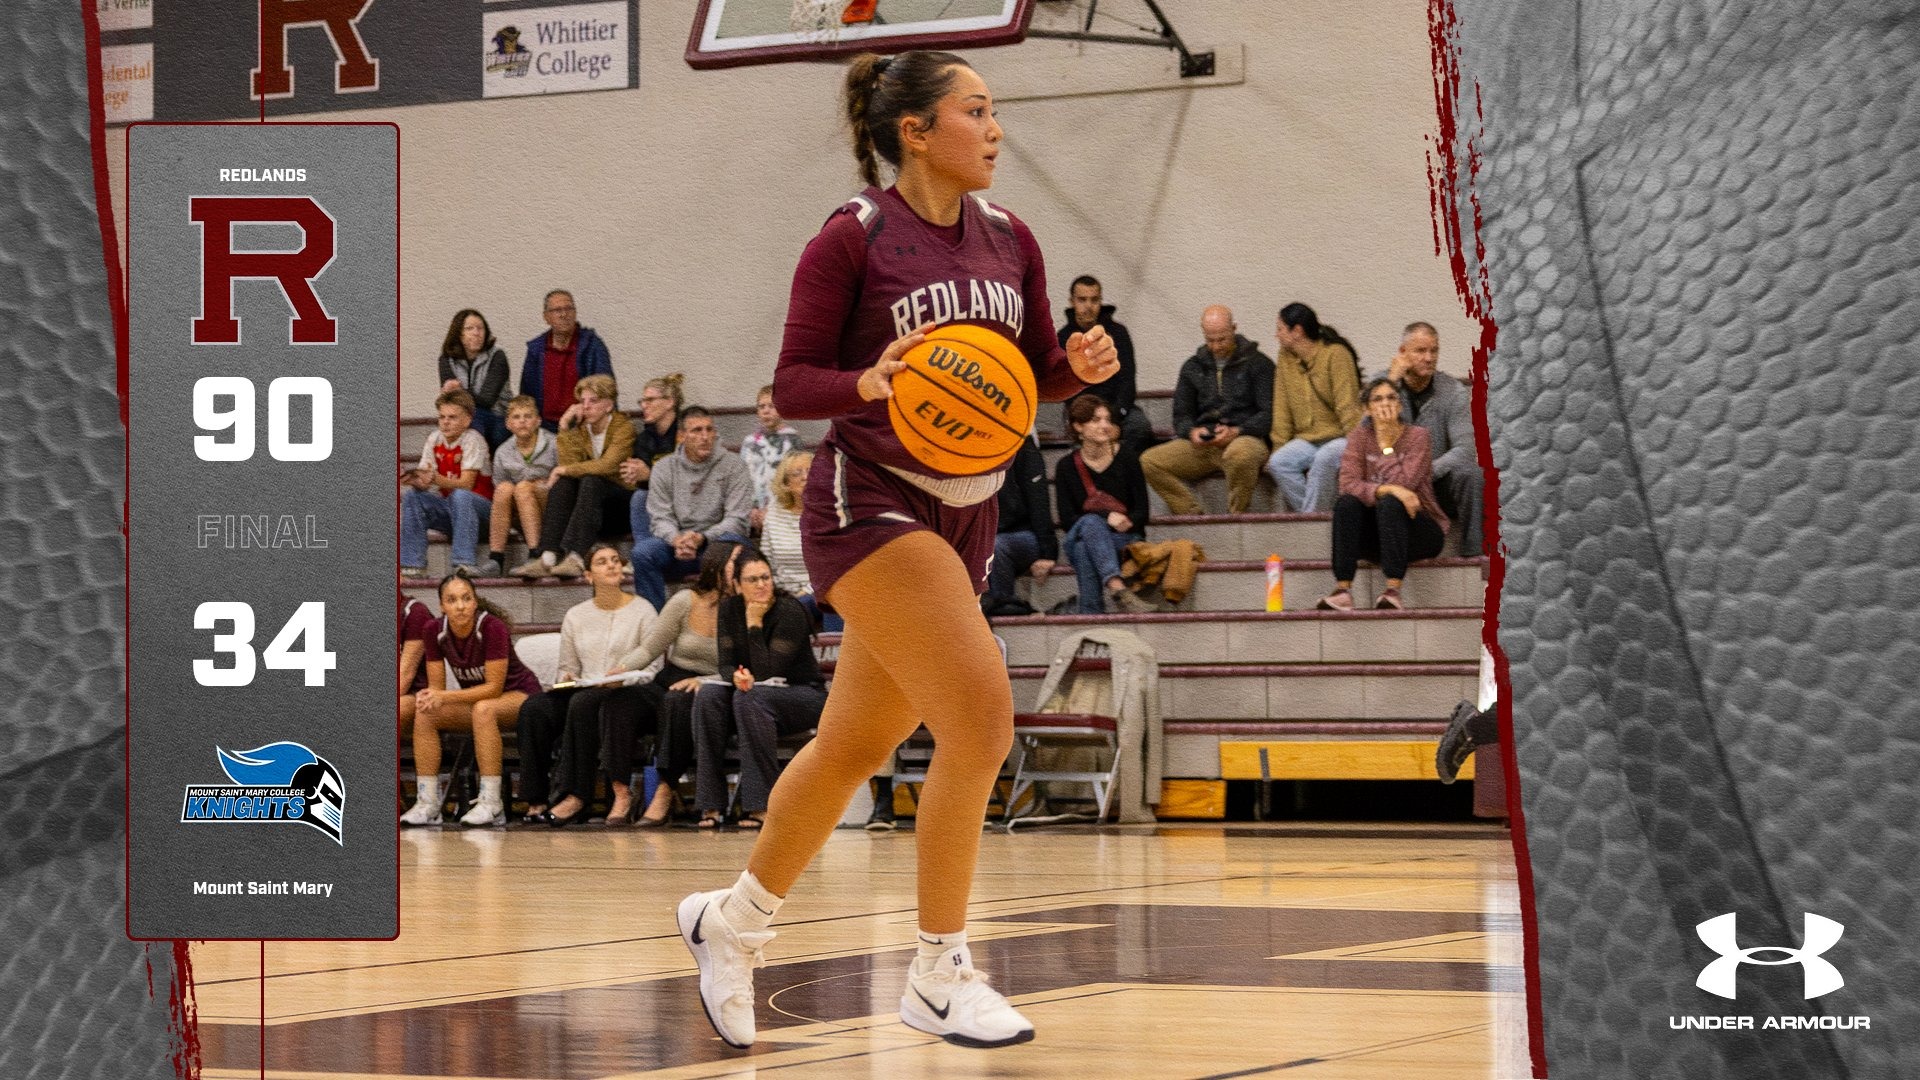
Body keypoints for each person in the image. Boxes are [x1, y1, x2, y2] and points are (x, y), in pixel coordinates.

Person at [675, 50, 1117, 1053]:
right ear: (917, 130)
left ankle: (732, 924)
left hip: (970, 508)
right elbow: (790, 382)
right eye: (978, 111)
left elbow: (1025, 375)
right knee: (980, 719)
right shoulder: (853, 239)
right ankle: (937, 971)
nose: (997, 129)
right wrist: (867, 383)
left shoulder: (1013, 239)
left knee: (853, 746)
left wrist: (1074, 368)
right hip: (867, 501)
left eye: (996, 111)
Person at [516, 544, 658, 827]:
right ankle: (536, 799)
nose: (612, 566)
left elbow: (652, 668)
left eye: (616, 560)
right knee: (535, 708)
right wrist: (566, 678)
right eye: (603, 562)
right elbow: (568, 667)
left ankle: (577, 795)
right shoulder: (576, 615)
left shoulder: (644, 610)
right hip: (587, 687)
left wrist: (623, 678)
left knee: (585, 704)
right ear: (589, 576)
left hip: (630, 690)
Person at [690, 549, 828, 829]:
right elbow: (726, 664)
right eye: (752, 580)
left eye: (766, 577)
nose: (762, 585)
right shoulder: (729, 609)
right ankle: (711, 803)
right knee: (708, 696)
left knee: (750, 699)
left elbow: (768, 670)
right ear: (737, 585)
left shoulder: (790, 611)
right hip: (754, 695)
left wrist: (754, 623)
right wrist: (737, 677)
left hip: (804, 697)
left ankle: (761, 804)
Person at [609, 541, 739, 826]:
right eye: (734, 563)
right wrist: (619, 671)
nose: (741, 568)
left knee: (677, 702)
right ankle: (621, 790)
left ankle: (665, 789)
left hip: (717, 687)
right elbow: (650, 649)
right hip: (673, 676)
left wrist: (705, 680)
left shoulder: (745, 608)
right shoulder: (685, 600)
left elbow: (746, 664)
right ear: (716, 566)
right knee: (621, 702)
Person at [400, 572, 540, 827]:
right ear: (442, 606)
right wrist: (433, 697)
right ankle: (428, 803)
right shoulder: (433, 630)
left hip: (522, 696)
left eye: (466, 598)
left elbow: (494, 688)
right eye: (452, 600)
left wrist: (443, 696)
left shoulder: (491, 627)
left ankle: (491, 803)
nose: (460, 606)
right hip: (479, 703)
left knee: (484, 709)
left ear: (476, 602)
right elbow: (437, 689)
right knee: (426, 711)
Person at [1317, 378, 1451, 611]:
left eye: (1391, 398)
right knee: (1347, 504)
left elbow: (1405, 483)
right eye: (1377, 399)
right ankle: (1343, 590)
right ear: (1367, 409)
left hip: (1418, 531)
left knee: (1391, 503)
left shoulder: (1418, 436)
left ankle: (1392, 590)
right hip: (1376, 537)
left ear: (1400, 406)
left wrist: (1387, 445)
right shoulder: (1359, 437)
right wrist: (1386, 489)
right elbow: (1347, 484)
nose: (1385, 404)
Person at [1138, 306, 1274, 514]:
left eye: (1222, 339)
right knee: (1149, 461)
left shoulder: (1259, 364)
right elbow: (1181, 414)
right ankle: (1191, 513)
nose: (1216, 346)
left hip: (1246, 438)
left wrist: (1238, 431)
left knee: (1240, 455)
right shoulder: (1192, 367)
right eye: (1210, 340)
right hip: (1205, 443)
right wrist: (1191, 432)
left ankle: (1236, 516)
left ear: (1234, 329)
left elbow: (1268, 414)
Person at [511, 375, 636, 579]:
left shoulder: (623, 428)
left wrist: (565, 470)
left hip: (618, 505)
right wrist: (564, 425)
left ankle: (576, 557)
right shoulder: (580, 429)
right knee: (566, 482)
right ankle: (548, 557)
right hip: (589, 508)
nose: (586, 407)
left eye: (593, 401)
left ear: (609, 405)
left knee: (590, 480)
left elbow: (608, 465)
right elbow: (568, 465)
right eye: (582, 401)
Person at [631, 406, 754, 611]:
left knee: (737, 548)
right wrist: (677, 539)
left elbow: (738, 520)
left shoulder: (734, 465)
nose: (705, 436)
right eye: (697, 431)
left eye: (709, 430)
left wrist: (702, 537)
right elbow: (660, 518)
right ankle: (656, 623)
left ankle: (730, 620)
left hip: (717, 544)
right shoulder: (663, 468)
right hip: (677, 546)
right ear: (681, 436)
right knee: (643, 553)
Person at [1387, 322, 1484, 556]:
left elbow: (1466, 449)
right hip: (1394, 480)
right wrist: (1391, 384)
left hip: (1435, 480)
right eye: (1420, 351)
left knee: (1472, 475)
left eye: (1434, 350)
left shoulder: (1453, 391)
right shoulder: (1384, 385)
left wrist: (1426, 472)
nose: (1429, 358)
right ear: (1403, 353)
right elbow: (1363, 436)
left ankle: (1475, 553)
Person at [1054, 395, 1154, 614]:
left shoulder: (1127, 457)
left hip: (1125, 538)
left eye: (1107, 420)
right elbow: (1067, 520)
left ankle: (1091, 613)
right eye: (1096, 420)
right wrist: (1105, 517)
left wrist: (1127, 522)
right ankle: (1117, 587)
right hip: (1081, 532)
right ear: (1078, 426)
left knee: (1084, 548)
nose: (1105, 426)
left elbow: (1142, 512)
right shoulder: (1066, 466)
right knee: (1089, 523)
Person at [1265, 302, 1362, 512]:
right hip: (1307, 438)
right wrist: (1278, 446)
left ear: (1297, 331)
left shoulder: (1335, 354)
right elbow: (1281, 406)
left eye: (1280, 329)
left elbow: (1348, 406)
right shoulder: (1285, 357)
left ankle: (1308, 525)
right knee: (1278, 463)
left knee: (1323, 459)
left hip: (1340, 437)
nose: (1277, 335)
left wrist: (1357, 448)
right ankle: (1316, 519)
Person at [400, 389, 493, 578]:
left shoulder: (473, 439)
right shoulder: (434, 439)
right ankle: (411, 564)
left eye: (452, 417)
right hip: (454, 511)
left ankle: (463, 562)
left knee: (461, 495)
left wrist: (435, 478)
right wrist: (412, 479)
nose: (445, 422)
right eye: (441, 417)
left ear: (467, 420)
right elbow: (427, 481)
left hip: (483, 513)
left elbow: (467, 483)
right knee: (413, 497)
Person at [1056, 275, 1151, 457]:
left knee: (1140, 427)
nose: (1088, 306)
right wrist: (1096, 421)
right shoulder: (1063, 339)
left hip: (1116, 409)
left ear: (1100, 301)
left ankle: (1122, 475)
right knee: (1081, 434)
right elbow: (1067, 390)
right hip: (1083, 411)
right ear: (1072, 301)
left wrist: (1111, 420)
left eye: (1094, 300)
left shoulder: (1118, 333)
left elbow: (1127, 382)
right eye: (1082, 300)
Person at [761, 450, 842, 631]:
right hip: (784, 593)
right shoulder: (774, 514)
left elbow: (832, 565)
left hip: (821, 590)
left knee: (832, 601)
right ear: (786, 484)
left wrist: (807, 591)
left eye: (810, 470)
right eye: (797, 473)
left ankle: (834, 654)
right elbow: (767, 561)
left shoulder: (831, 512)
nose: (805, 477)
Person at [981, 433, 1056, 617]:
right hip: (984, 537)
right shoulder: (966, 448)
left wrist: (1048, 552)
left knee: (997, 546)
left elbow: (1038, 500)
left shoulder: (1022, 446)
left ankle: (1004, 605)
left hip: (1024, 535)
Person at [519, 289, 612, 430]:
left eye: (569, 308)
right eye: (557, 310)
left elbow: (606, 390)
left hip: (584, 425)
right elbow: (526, 395)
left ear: (575, 313)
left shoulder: (592, 345)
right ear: (546, 317)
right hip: (544, 428)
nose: (564, 314)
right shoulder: (536, 350)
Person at [484, 396, 556, 576]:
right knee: (504, 489)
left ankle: (535, 554)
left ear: (538, 421)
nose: (522, 421)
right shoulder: (503, 451)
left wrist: (539, 485)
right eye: (516, 417)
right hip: (522, 508)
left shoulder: (554, 443)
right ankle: (496, 558)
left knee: (524, 487)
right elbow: (500, 488)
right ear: (508, 424)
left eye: (527, 416)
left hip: (550, 503)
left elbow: (566, 482)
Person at [621, 372, 685, 543]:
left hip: (688, 497)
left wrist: (650, 474)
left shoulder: (686, 433)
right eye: (642, 401)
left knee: (642, 497)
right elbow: (643, 483)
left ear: (669, 402)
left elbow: (689, 477)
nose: (644, 406)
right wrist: (634, 474)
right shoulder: (644, 438)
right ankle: (643, 551)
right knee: (639, 497)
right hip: (658, 498)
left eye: (650, 400)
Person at [437, 308, 512, 449]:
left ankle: (474, 467)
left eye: (480, 328)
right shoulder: (447, 359)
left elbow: (487, 400)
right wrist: (454, 393)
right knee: (458, 422)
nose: (476, 333)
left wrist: (459, 390)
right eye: (469, 328)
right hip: (462, 416)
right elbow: (450, 398)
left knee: (474, 423)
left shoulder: (497, 356)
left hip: (498, 416)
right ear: (459, 334)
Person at [740, 385, 805, 532]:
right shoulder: (749, 443)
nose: (766, 411)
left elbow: (797, 480)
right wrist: (753, 509)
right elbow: (743, 479)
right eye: (761, 406)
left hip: (783, 509)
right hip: (753, 510)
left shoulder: (792, 440)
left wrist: (773, 511)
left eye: (771, 406)